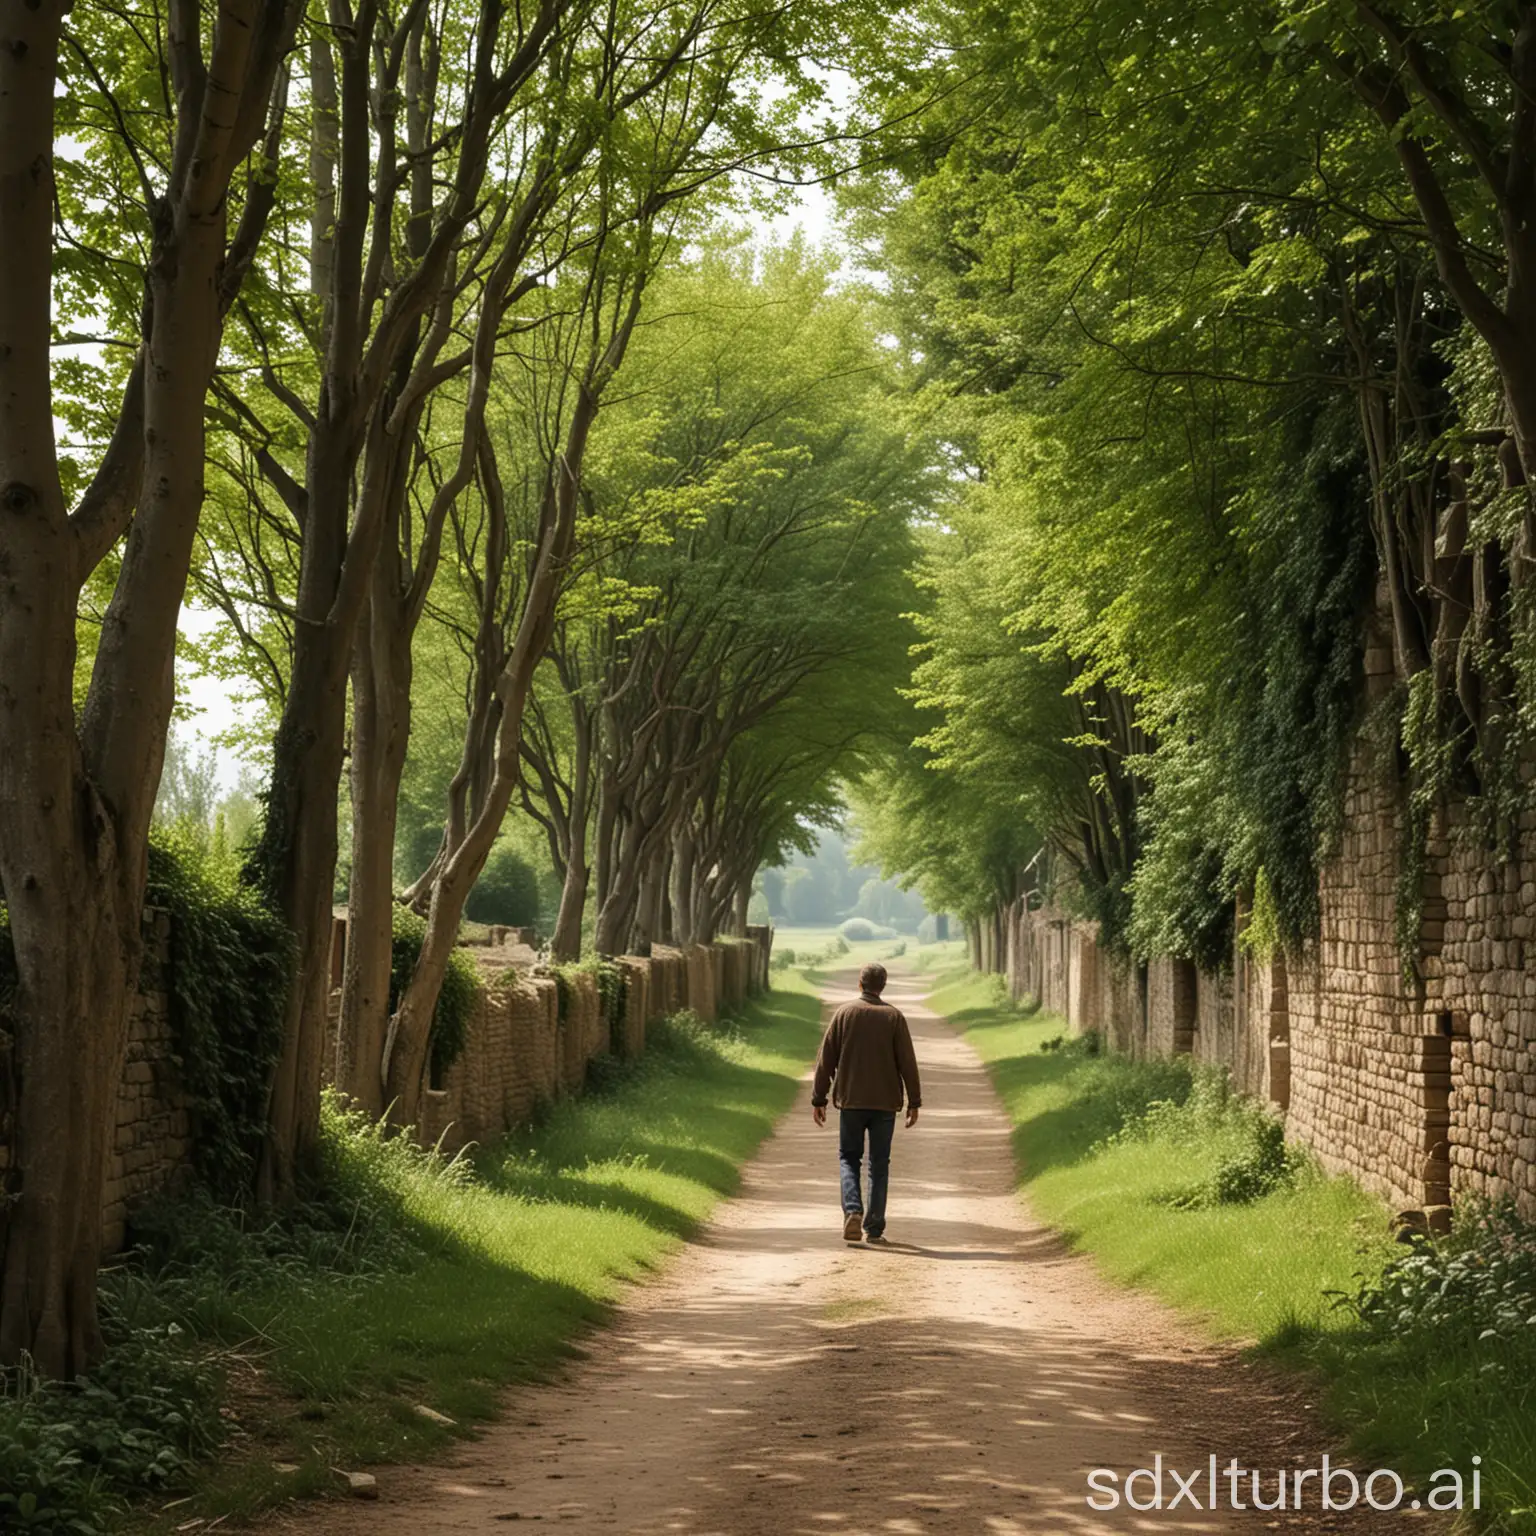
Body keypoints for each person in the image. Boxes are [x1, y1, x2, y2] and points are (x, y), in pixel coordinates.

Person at [810, 962, 922, 1244]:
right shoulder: (893, 1017)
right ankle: (874, 1227)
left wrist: (819, 1098)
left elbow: (826, 1060)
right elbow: (907, 1062)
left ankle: (852, 1210)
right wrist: (914, 1101)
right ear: (882, 986)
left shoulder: (845, 1014)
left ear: (860, 984)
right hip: (885, 1104)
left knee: (849, 1158)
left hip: (851, 1101)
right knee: (879, 1164)